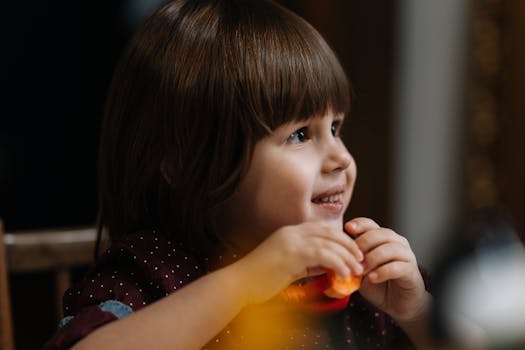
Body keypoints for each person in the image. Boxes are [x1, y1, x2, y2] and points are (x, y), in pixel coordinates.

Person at [44, 0, 432, 349]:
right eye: (299, 134)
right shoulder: (155, 272)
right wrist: (244, 283)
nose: (341, 159)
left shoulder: (367, 289)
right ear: (183, 162)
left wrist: (416, 314)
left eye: (335, 128)